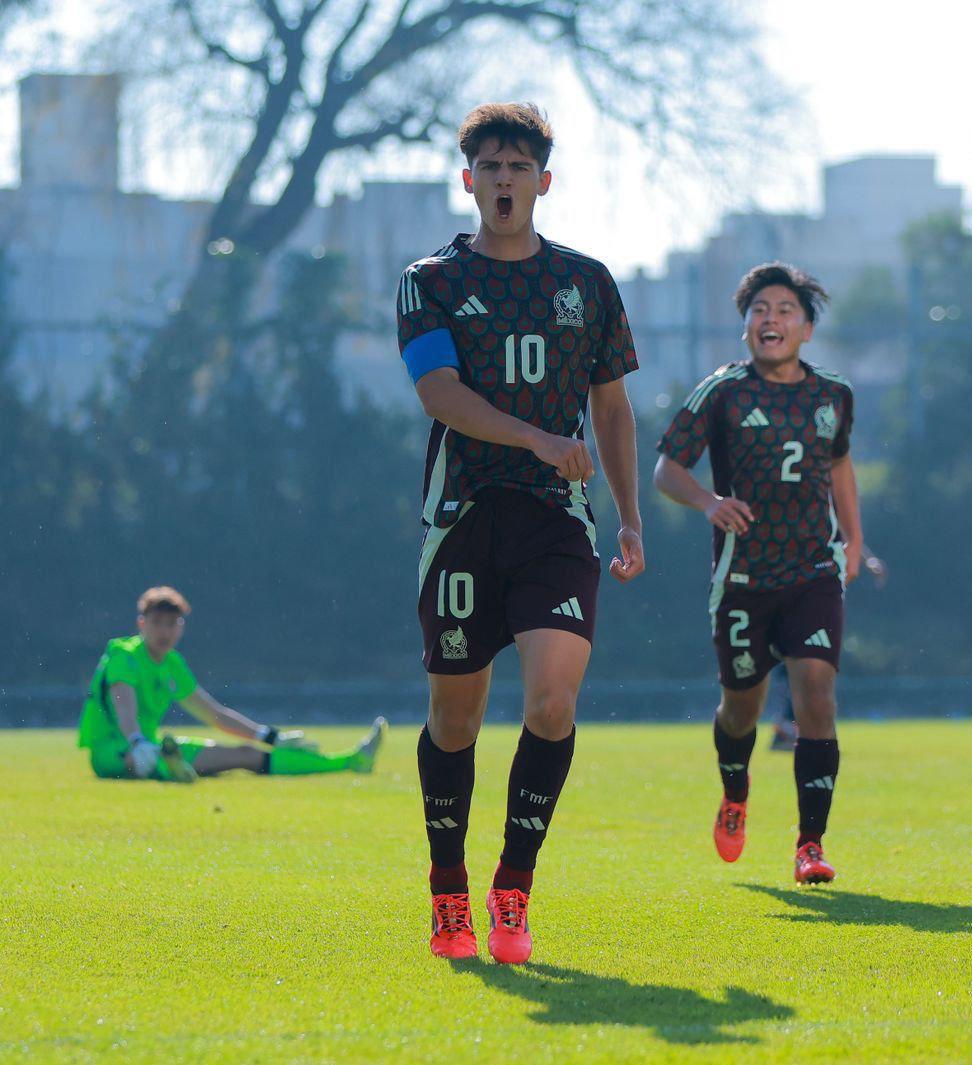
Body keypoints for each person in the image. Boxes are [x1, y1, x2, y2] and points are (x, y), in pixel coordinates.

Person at [396, 103, 643, 963]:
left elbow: (612, 407)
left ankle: (513, 886)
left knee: (552, 701)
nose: (505, 180)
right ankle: (446, 890)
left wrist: (632, 517)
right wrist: (539, 436)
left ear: (545, 180)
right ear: (469, 180)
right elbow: (439, 395)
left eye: (519, 167)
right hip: (462, 518)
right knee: (455, 720)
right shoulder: (429, 277)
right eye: (489, 167)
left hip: (556, 523)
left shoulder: (589, 282)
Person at [654, 262, 861, 885]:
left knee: (816, 697)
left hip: (812, 571)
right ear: (745, 327)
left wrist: (854, 538)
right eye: (759, 310)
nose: (770, 319)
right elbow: (667, 470)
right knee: (741, 710)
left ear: (805, 329)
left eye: (783, 310)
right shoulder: (721, 392)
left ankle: (810, 844)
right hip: (742, 579)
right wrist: (709, 503)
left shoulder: (834, 395)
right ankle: (735, 790)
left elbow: (841, 467)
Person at [78, 586, 387, 781]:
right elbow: (124, 706)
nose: (164, 631)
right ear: (141, 624)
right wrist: (135, 740)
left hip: (154, 747)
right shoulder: (124, 655)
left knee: (246, 754)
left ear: (181, 627)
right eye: (157, 623)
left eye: (171, 624)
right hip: (116, 752)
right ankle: (167, 768)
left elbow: (213, 714)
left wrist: (270, 736)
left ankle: (348, 761)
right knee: (141, 760)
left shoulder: (172, 664)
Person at [768, 546, 888, 751]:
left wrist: (867, 559)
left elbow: (843, 533)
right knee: (794, 664)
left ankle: (794, 729)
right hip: (787, 592)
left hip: (814, 596)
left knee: (807, 666)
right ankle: (789, 728)